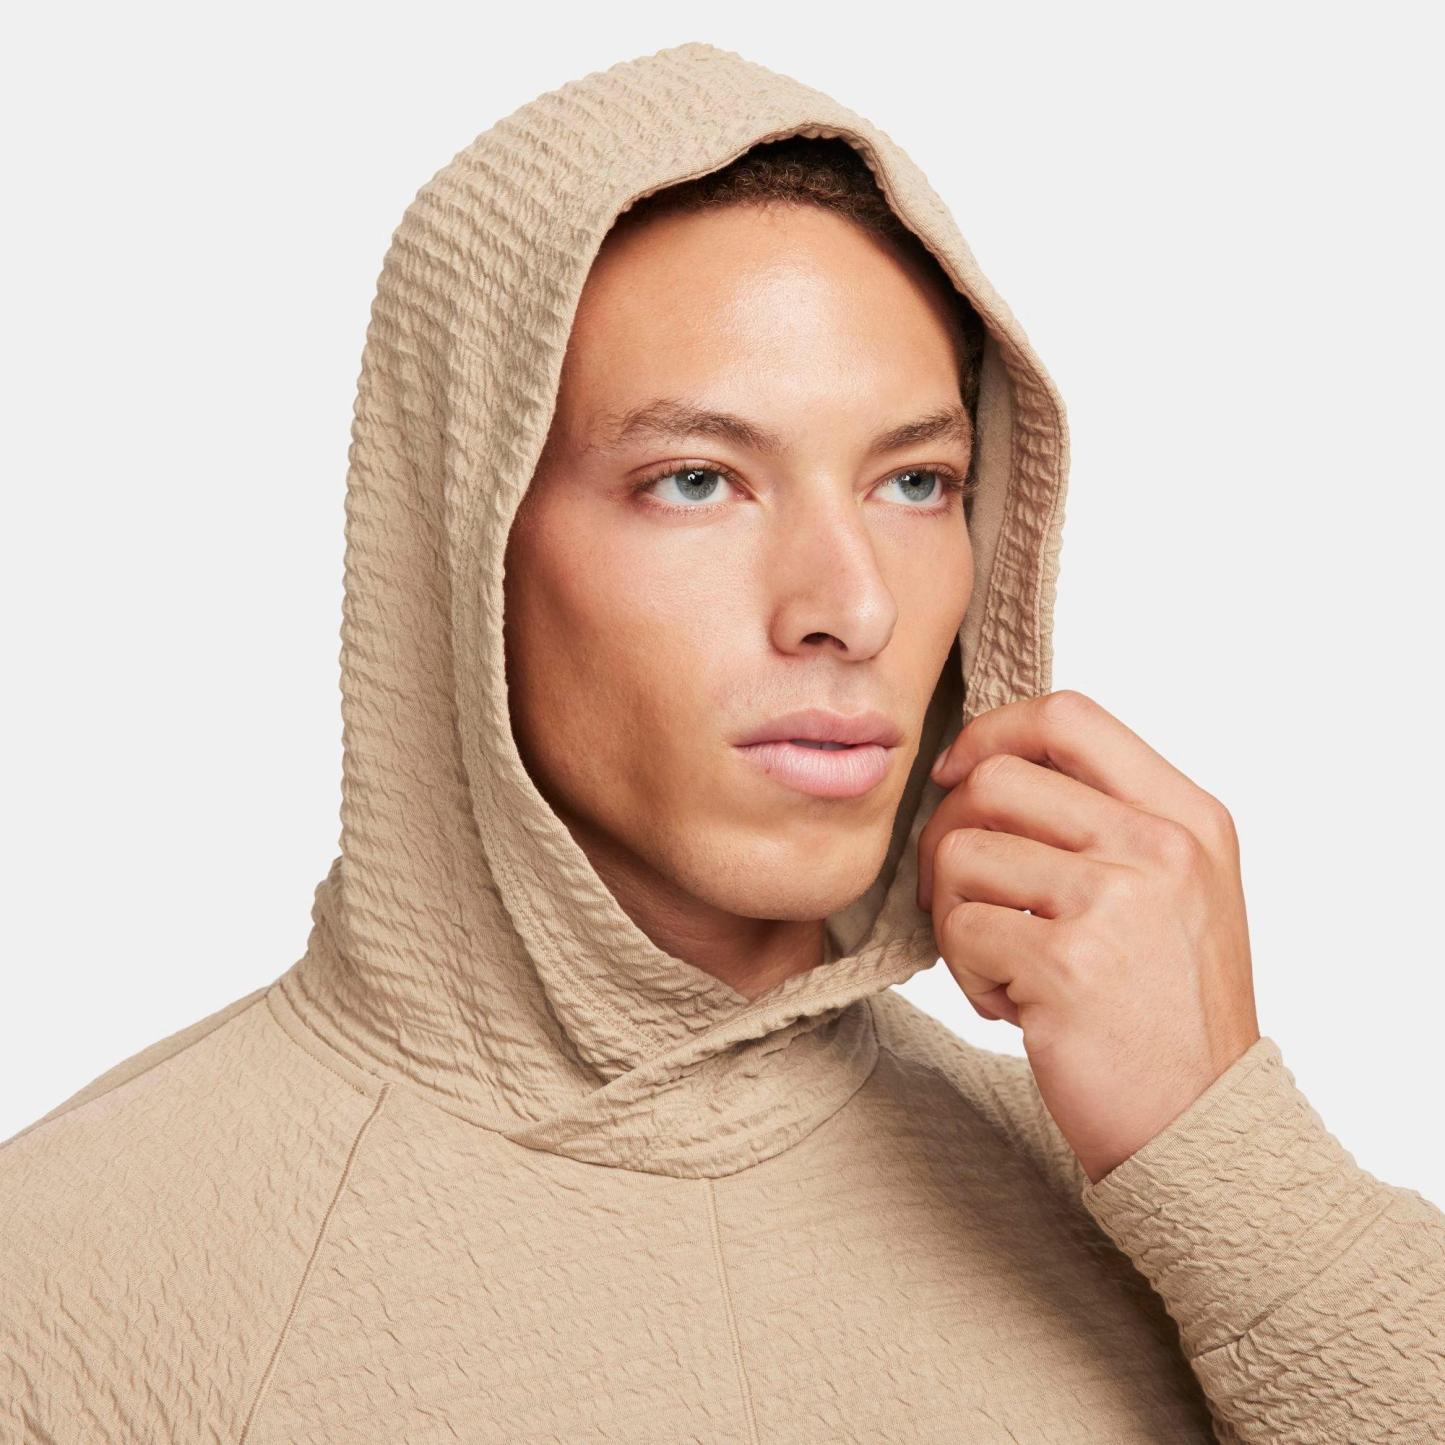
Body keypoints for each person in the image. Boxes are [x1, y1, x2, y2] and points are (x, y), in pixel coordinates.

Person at [3, 40, 1441, 1443]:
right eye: (695, 480)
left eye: (914, 480)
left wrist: (1229, 1159)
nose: (852, 606)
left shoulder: (1156, 1209)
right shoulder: (75, 1288)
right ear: (460, 542)